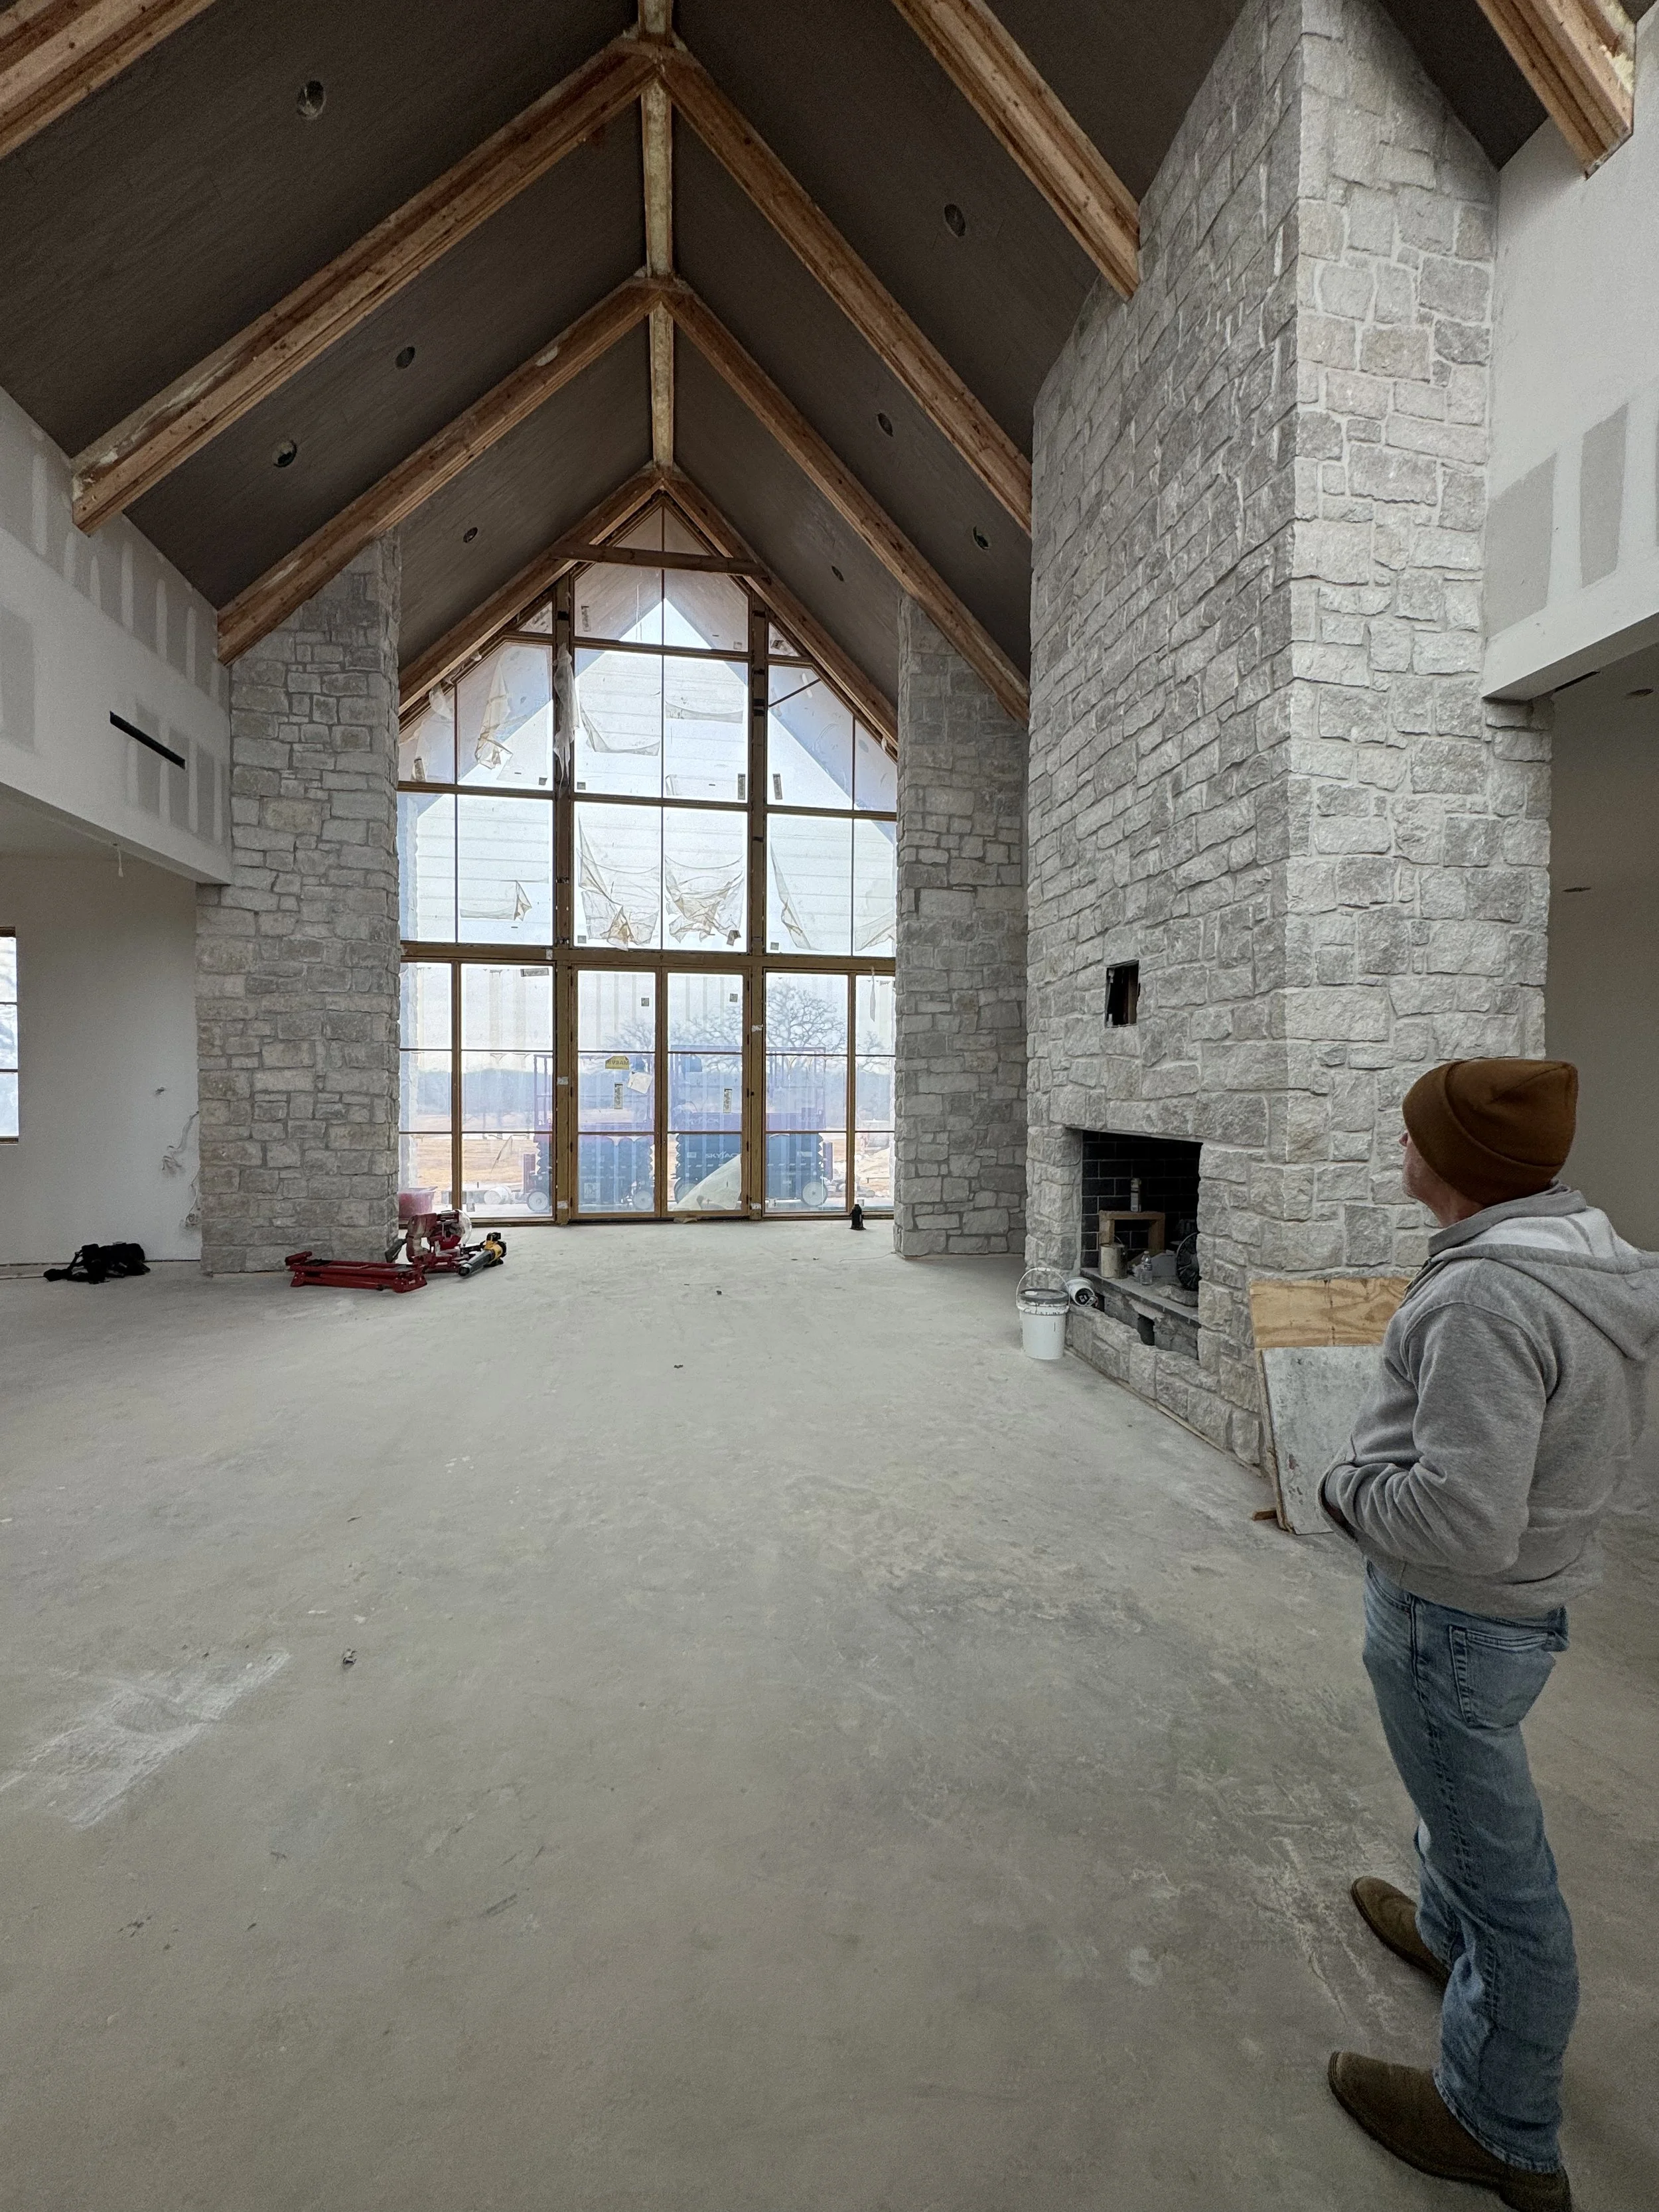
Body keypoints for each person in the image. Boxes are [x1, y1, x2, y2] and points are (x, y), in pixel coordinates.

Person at [1318, 1057, 1659, 2211]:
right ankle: (1441, 1925)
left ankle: (1500, 2126)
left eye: (1412, 1133)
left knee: (1509, 1879)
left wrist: (1341, 1491)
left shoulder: (1482, 1298)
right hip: (1515, 1604)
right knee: (1462, 1812)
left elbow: (1461, 1520)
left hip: (1455, 1617)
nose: (1400, 1147)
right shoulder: (1576, 1258)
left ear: (1453, 1164)